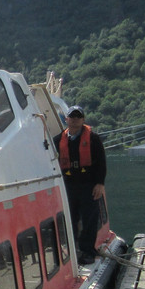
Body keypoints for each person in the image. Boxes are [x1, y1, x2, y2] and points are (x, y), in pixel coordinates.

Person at [58, 105, 107, 265]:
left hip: (89, 185)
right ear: (66, 119)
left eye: (78, 116)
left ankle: (87, 251)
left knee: (89, 220)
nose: (75, 119)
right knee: (70, 219)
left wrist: (100, 183)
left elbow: (101, 162)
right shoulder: (58, 140)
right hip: (69, 186)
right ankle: (72, 250)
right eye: (72, 116)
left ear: (83, 119)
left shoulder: (93, 138)